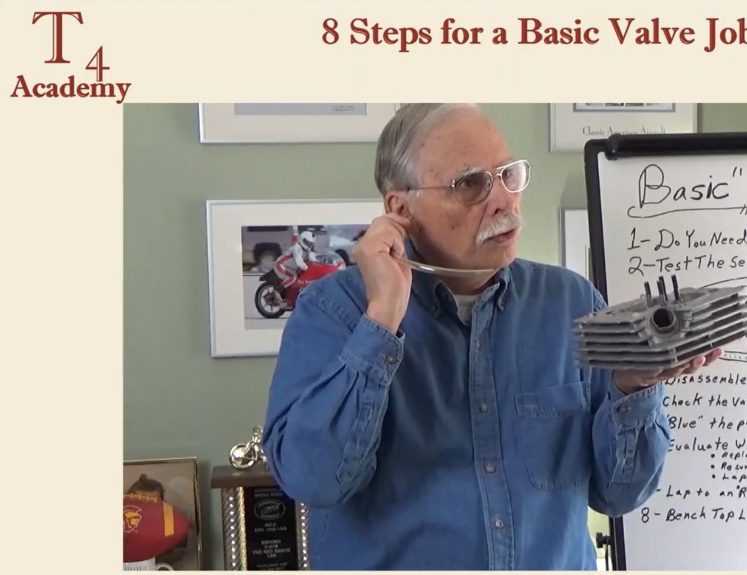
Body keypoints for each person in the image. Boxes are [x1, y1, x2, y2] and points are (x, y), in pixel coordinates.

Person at [262, 104, 722, 570]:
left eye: (507, 175)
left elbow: (620, 494)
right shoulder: (332, 312)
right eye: (471, 185)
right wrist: (381, 320)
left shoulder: (571, 303)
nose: (503, 200)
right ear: (401, 210)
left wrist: (634, 386)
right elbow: (313, 480)